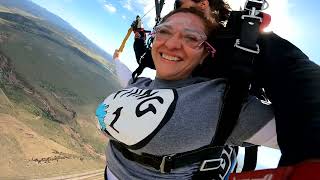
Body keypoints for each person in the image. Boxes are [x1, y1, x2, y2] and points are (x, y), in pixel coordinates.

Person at [131, 0, 320, 166]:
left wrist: (310, 157)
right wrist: (139, 38)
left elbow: (298, 74)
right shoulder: (175, 43)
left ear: (203, 4)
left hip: (211, 148)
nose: (178, 12)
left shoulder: (245, 39)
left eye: (181, 5)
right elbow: (147, 58)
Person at [97, 8, 276, 179]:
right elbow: (125, 77)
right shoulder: (140, 84)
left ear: (206, 53)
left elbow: (300, 131)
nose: (172, 44)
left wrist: (281, 62)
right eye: (164, 32)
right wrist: (117, 59)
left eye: (191, 37)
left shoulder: (223, 103)